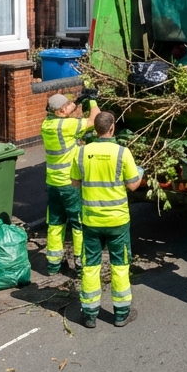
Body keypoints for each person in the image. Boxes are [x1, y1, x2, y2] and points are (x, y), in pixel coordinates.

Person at [69, 112, 143, 328]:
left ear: (96, 130)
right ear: (112, 129)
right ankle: (121, 314)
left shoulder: (82, 153)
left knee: (91, 267)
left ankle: (90, 314)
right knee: (119, 266)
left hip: (91, 221)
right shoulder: (122, 153)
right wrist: (140, 172)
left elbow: (75, 184)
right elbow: (132, 185)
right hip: (117, 221)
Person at [41, 91, 98, 275]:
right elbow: (93, 121)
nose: (69, 106)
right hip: (70, 183)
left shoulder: (46, 124)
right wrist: (92, 100)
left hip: (53, 183)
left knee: (55, 223)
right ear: (61, 111)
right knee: (78, 224)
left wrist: (77, 101)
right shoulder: (67, 126)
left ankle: (53, 264)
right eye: (66, 106)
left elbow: (67, 110)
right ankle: (81, 265)